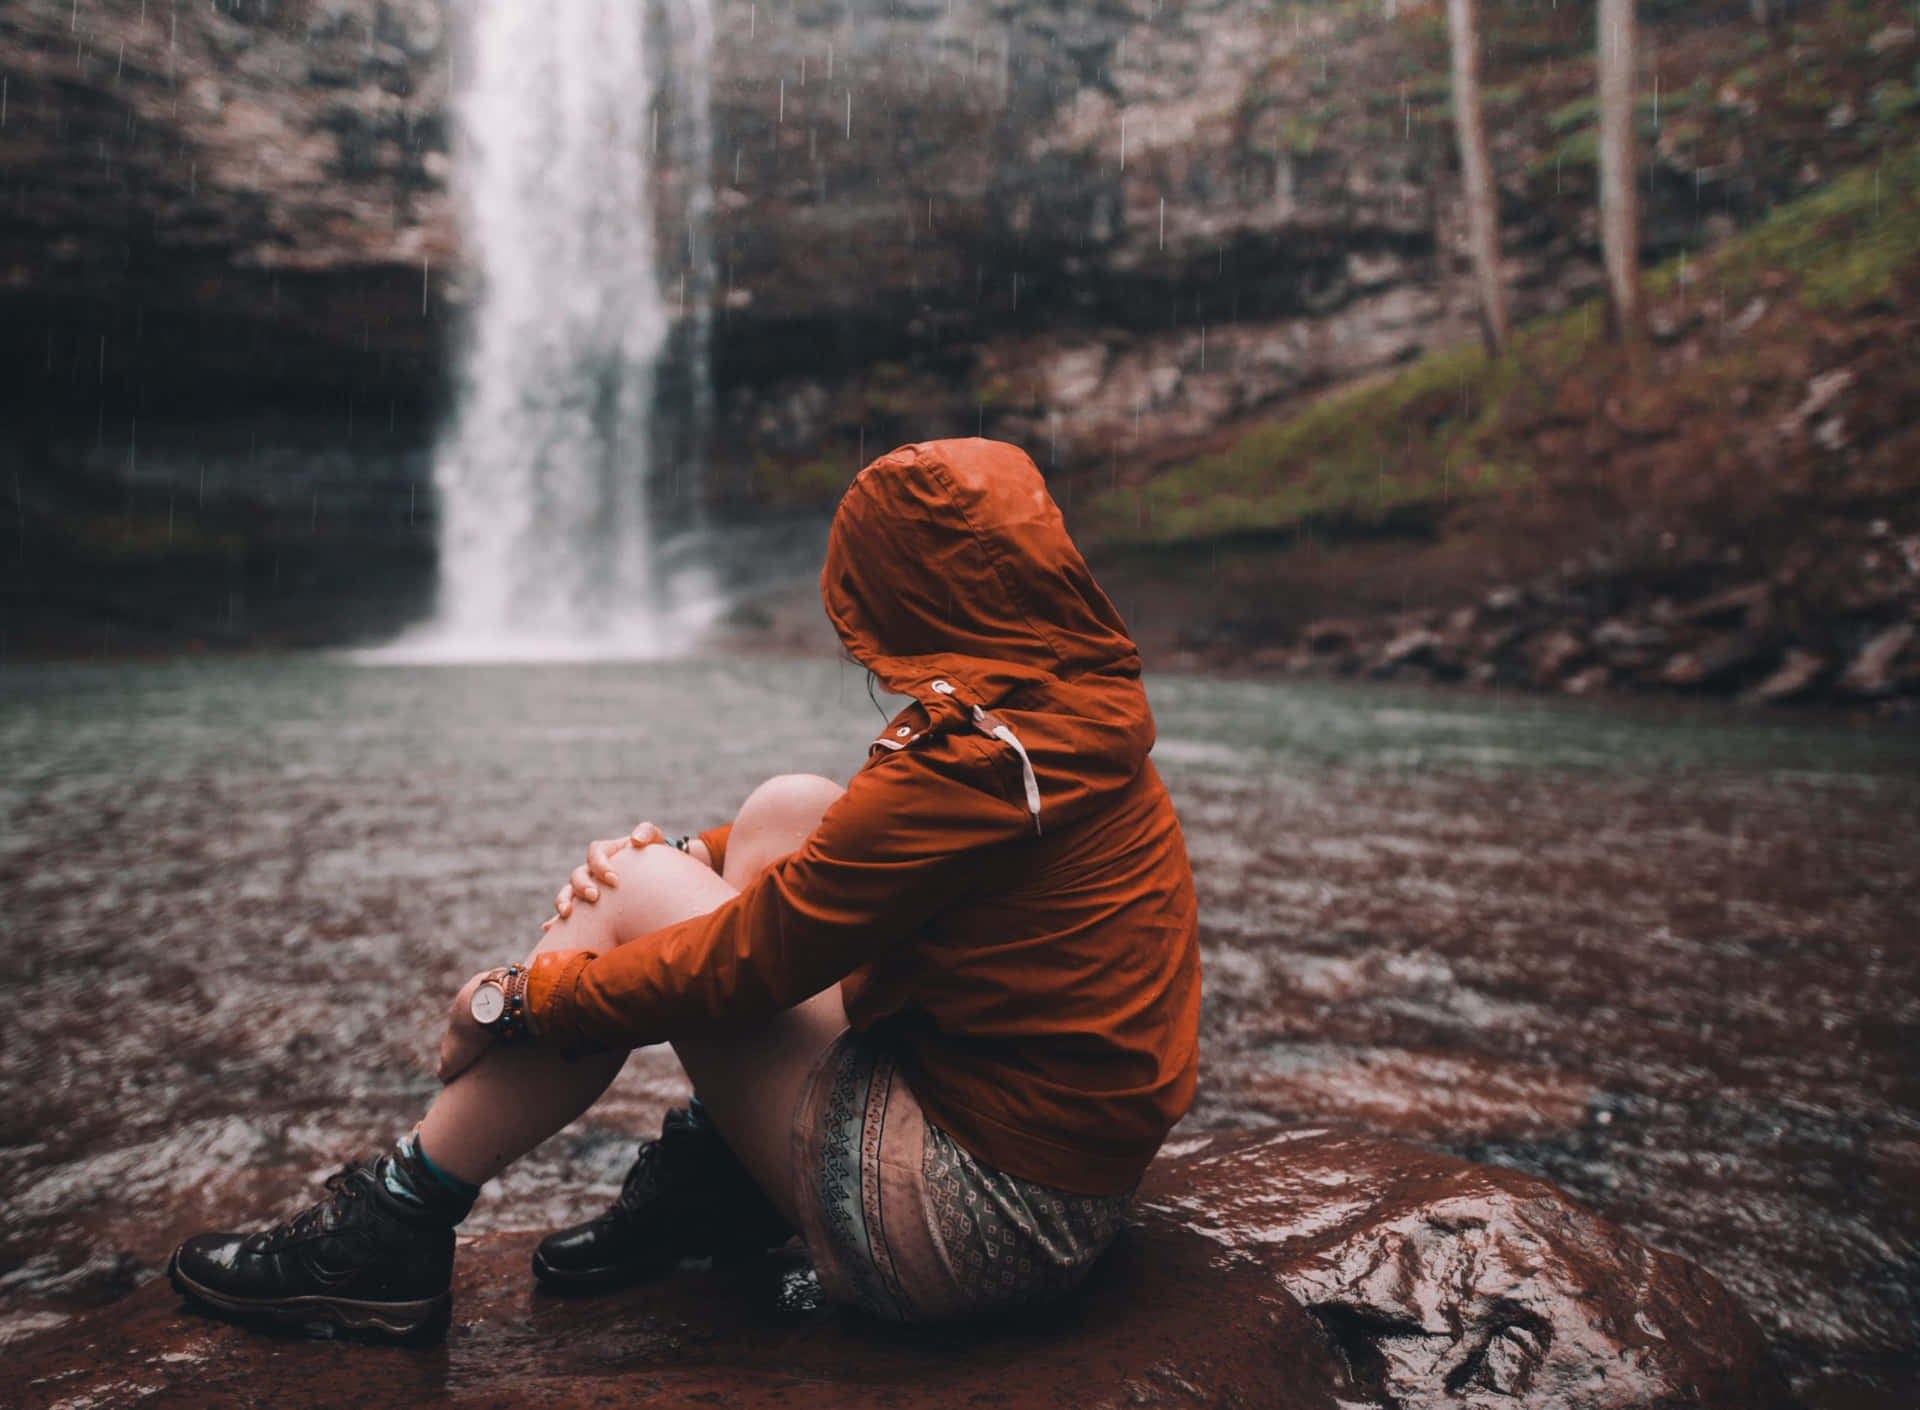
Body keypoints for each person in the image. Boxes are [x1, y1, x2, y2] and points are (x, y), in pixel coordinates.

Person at [167, 437, 1202, 1338]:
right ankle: (721, 1189)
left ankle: (392, 1225)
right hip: (1065, 1194)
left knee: (631, 899)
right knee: (785, 805)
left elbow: (741, 969)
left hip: (980, 1232)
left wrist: (516, 999)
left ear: (898, 586)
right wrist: (699, 859)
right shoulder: (1068, 708)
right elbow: (861, 855)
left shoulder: (972, 762)